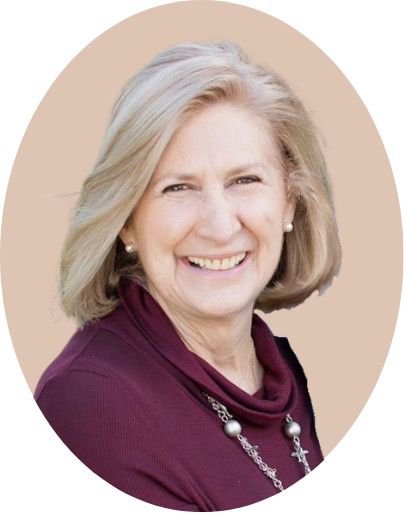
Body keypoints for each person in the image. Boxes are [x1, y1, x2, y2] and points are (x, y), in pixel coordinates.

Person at [34, 41, 341, 511]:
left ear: (290, 202)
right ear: (126, 222)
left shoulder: (276, 374)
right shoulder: (92, 405)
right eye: (178, 187)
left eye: (245, 181)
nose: (219, 226)